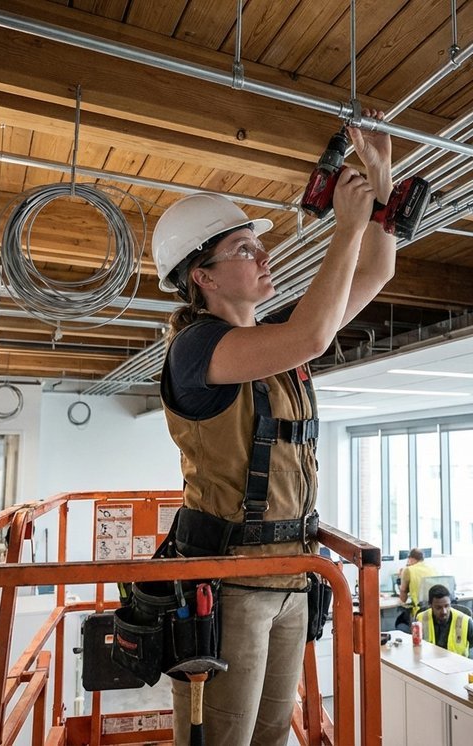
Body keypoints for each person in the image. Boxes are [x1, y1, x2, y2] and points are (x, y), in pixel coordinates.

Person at [152, 109, 395, 746]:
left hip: (293, 572)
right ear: (202, 277)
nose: (263, 255)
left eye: (256, 245)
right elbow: (314, 335)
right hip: (230, 582)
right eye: (243, 249)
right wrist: (346, 226)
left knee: (272, 735)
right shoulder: (196, 349)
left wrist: (382, 184)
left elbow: (375, 274)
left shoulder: (271, 341)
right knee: (223, 739)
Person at [417, 584, 473, 658]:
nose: (444, 611)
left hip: (458, 665)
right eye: (438, 608)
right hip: (429, 664)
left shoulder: (464, 621)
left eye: (447, 606)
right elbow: (412, 645)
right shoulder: (420, 619)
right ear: (430, 605)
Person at [395, 547, 438, 631]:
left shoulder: (408, 570)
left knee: (399, 623)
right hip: (435, 611)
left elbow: (403, 598)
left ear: (410, 559)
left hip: (419, 613)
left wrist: (401, 577)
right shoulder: (433, 568)